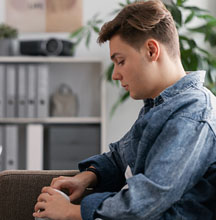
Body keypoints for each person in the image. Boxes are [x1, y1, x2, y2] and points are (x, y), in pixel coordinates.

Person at [33, 0, 216, 219]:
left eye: (120, 61)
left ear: (151, 50)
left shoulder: (192, 113)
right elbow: (121, 154)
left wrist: (72, 212)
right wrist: (88, 177)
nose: (115, 74)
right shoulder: (160, 105)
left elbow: (150, 197)